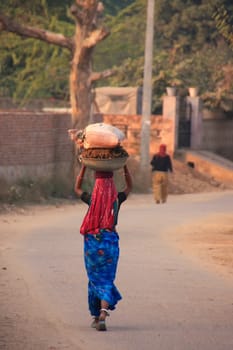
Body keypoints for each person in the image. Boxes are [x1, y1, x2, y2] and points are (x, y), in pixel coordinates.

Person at [75, 164, 132, 331]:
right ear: (112, 182)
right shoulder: (117, 200)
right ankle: (102, 313)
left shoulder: (92, 200)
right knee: (106, 278)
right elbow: (130, 186)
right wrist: (125, 167)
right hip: (110, 242)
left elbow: (77, 188)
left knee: (94, 278)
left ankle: (96, 316)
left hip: (92, 242)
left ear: (96, 182)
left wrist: (84, 167)